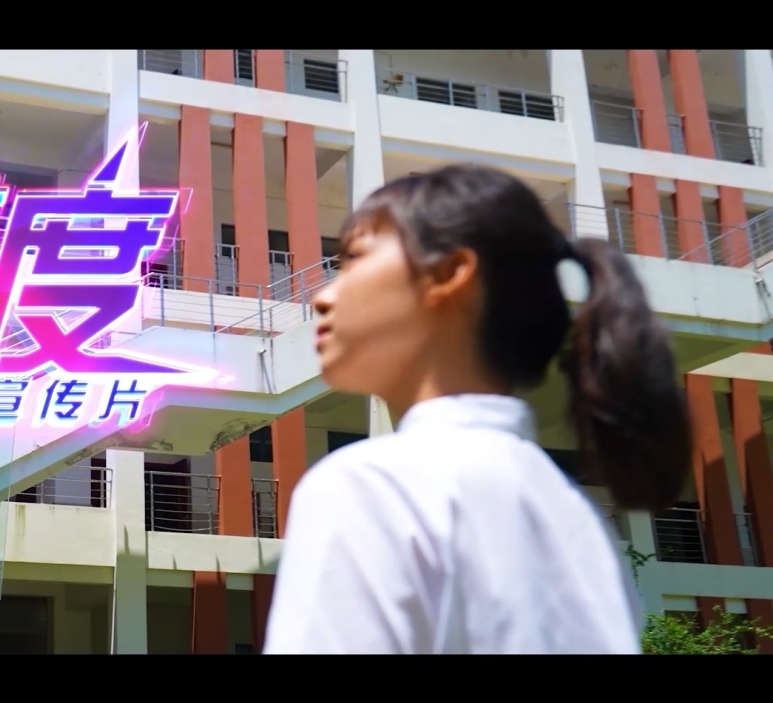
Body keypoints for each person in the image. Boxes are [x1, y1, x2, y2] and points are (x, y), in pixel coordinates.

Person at [263, 165, 690, 654]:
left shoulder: (370, 486)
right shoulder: (581, 519)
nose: (321, 297)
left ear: (449, 273)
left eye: (354, 258)